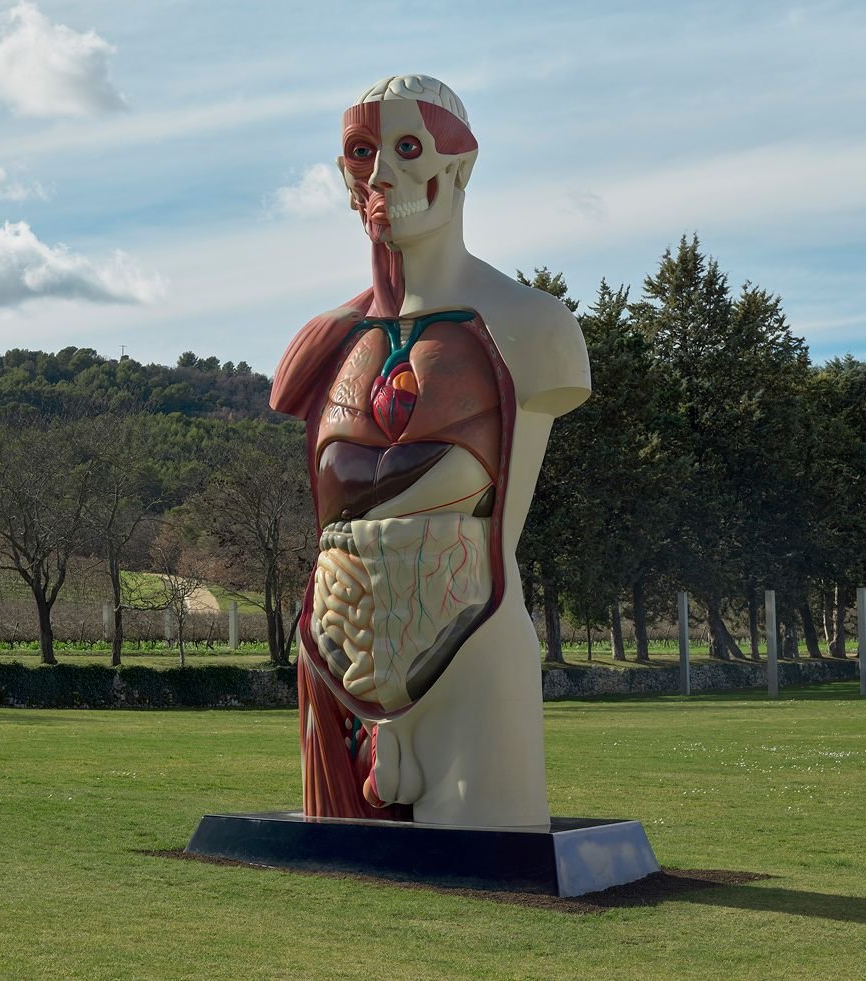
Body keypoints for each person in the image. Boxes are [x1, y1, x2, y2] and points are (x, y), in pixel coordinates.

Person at [270, 75, 589, 828]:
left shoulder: (534, 328)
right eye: (362, 153)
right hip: (339, 656)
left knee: (490, 884)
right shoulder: (329, 343)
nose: (382, 176)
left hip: (469, 649)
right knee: (344, 919)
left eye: (407, 149)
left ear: (460, 164)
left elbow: (497, 532)